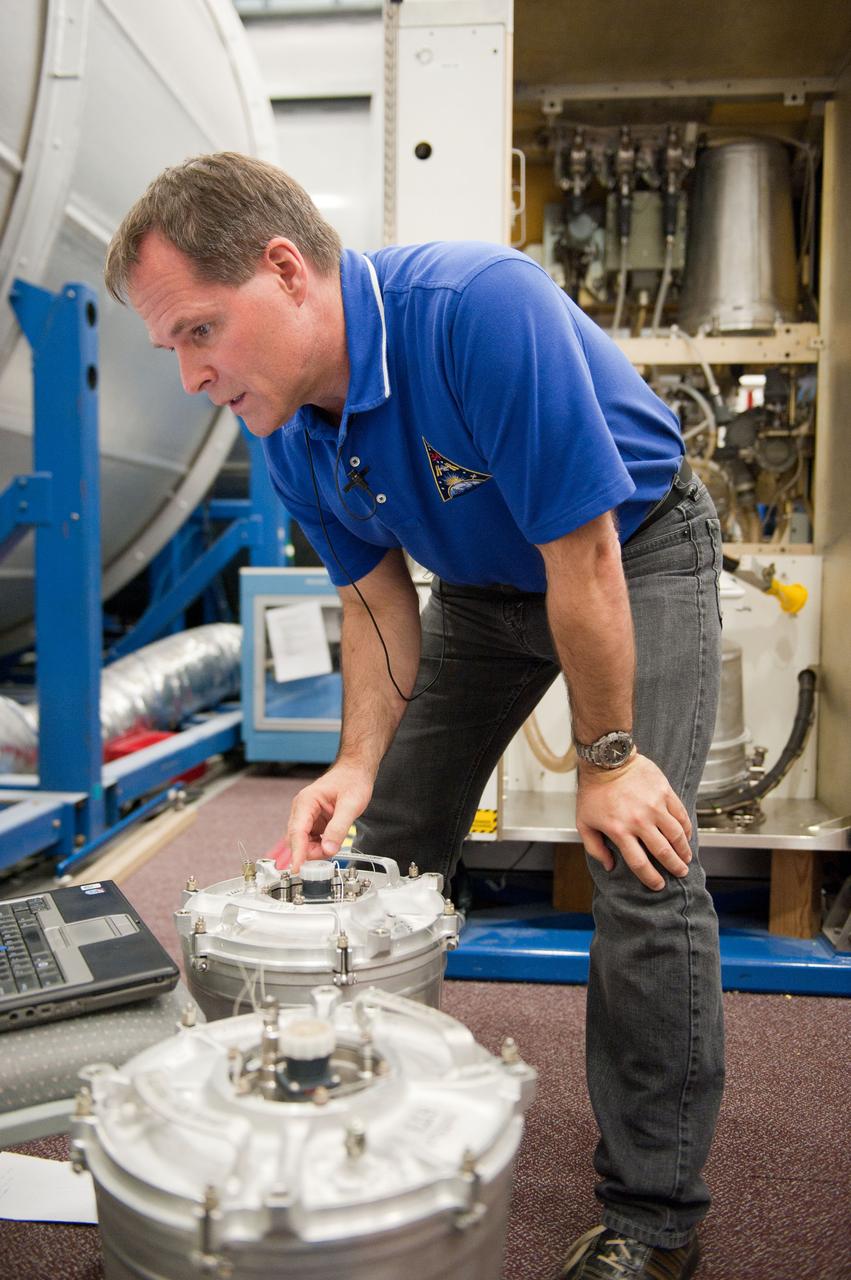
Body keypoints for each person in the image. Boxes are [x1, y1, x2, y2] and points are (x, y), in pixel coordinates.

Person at [105, 152, 724, 1280]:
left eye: (198, 331)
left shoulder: (476, 310)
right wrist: (355, 763)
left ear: (285, 269)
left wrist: (609, 758)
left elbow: (581, 552)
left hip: (632, 550)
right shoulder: (283, 421)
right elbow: (376, 599)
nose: (190, 375)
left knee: (638, 856)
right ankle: (356, 1126)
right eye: (172, 349)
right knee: (378, 852)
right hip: (487, 596)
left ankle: (651, 1219)